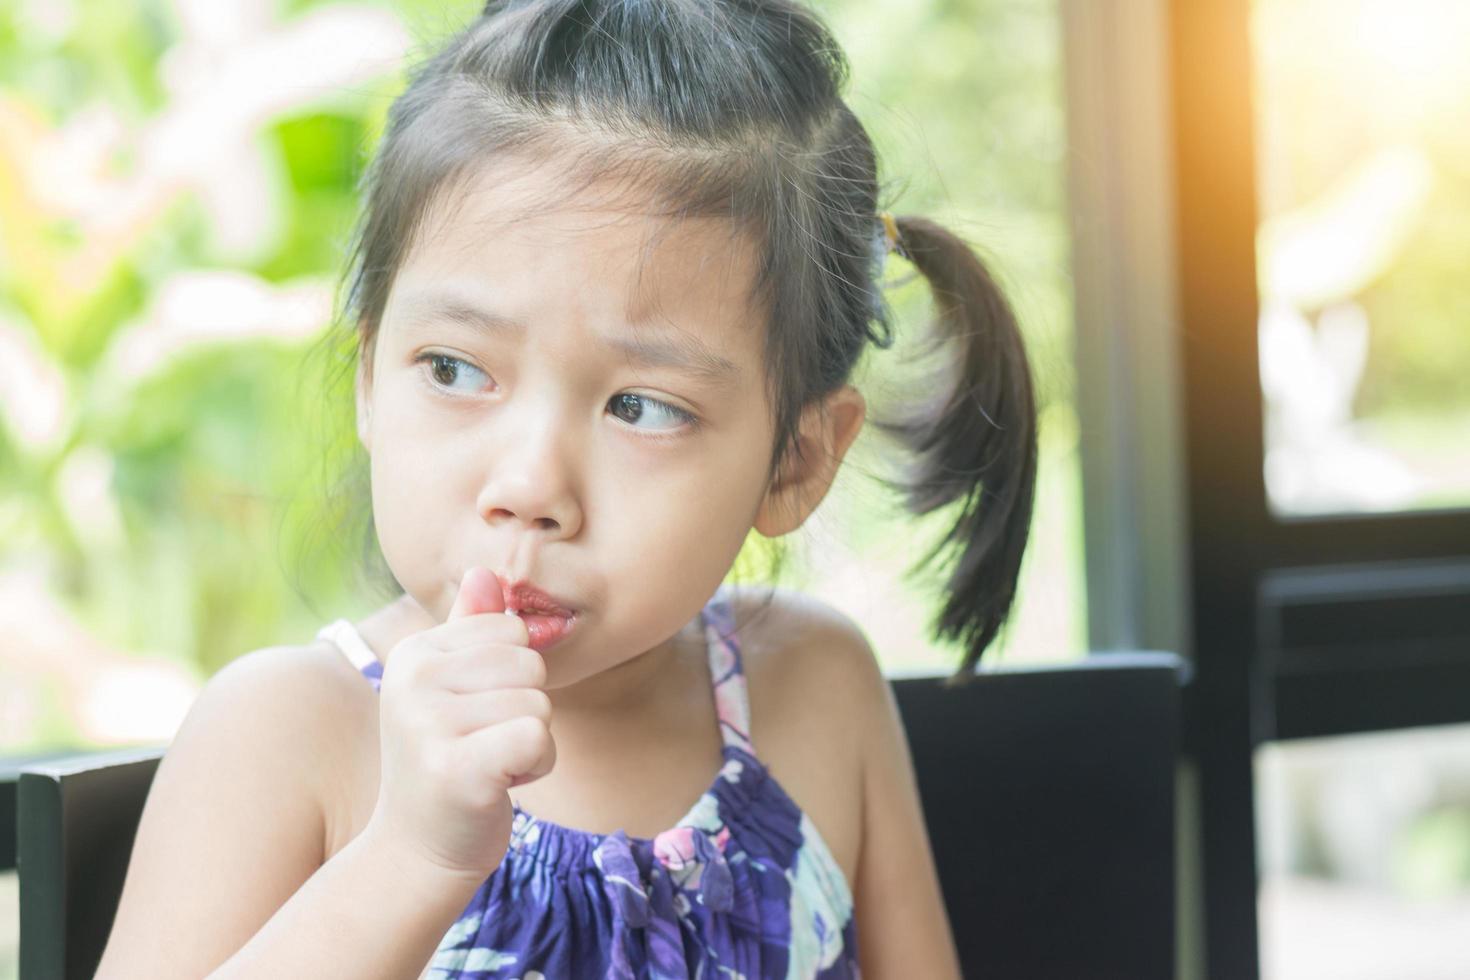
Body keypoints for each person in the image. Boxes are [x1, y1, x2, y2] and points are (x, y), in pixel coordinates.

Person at [96, 0, 1037, 976]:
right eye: (456, 369)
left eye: (641, 405)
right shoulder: (290, 732)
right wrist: (410, 857)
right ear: (370, 380)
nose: (530, 486)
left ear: (796, 459)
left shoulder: (812, 688)